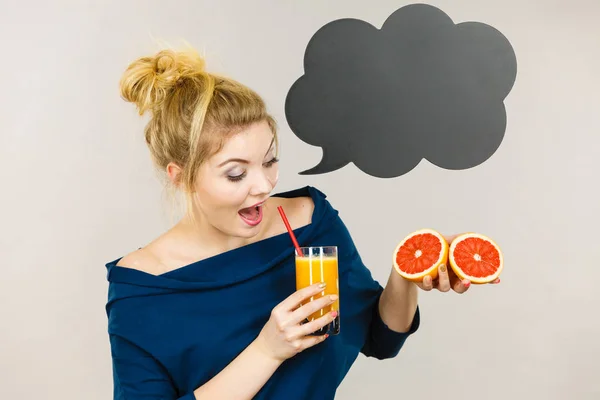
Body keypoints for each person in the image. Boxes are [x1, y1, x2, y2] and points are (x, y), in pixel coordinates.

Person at [105, 46, 496, 400]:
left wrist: (406, 272)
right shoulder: (143, 289)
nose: (263, 186)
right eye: (236, 174)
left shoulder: (310, 219)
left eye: (270, 161)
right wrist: (266, 350)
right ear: (180, 175)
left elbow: (380, 338)